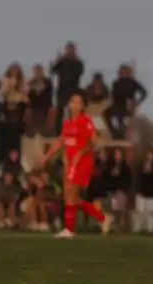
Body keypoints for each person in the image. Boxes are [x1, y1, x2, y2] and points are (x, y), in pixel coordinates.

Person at [40, 92, 107, 238]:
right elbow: (60, 141)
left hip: (82, 163)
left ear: (82, 106)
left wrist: (82, 151)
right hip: (69, 162)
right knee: (71, 197)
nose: (73, 104)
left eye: (77, 102)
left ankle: (69, 230)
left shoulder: (86, 122)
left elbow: (95, 141)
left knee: (72, 194)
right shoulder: (67, 123)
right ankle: (102, 218)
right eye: (72, 101)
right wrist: (47, 156)